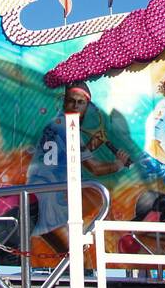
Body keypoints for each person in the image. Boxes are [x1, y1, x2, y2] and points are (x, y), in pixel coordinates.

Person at [27, 82, 129, 254]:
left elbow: (63, 157)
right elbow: (94, 169)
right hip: (50, 198)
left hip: (39, 194)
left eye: (80, 102)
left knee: (68, 256)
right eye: (71, 101)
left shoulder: (57, 123)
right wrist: (118, 165)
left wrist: (89, 147)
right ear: (64, 102)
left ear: (87, 106)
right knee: (75, 255)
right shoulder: (68, 126)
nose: (75, 106)